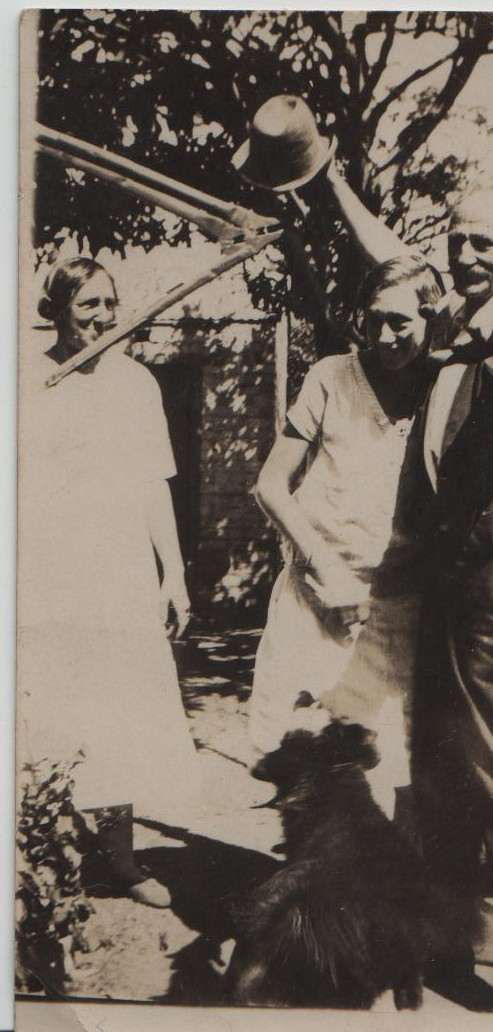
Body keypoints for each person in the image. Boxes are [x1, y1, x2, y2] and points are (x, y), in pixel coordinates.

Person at [323, 164, 493, 1011]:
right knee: (440, 773)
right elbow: (390, 249)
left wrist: (489, 341)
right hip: (451, 576)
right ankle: (445, 953)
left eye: (485, 241)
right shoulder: (462, 307)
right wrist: (327, 180)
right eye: (458, 237)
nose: (466, 251)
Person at [18, 257, 200, 909]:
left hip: (117, 567)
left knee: (120, 708)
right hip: (43, 568)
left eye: (108, 304)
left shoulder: (136, 384)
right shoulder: (25, 377)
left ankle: (119, 862)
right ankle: (43, 861)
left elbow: (155, 484)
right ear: (56, 311)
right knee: (48, 706)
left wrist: (173, 575)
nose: (100, 317)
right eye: (85, 305)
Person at [249, 255, 444, 816]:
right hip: (316, 599)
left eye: (402, 322)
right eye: (374, 319)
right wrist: (324, 571)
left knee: (396, 772)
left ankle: (392, 902)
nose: (385, 336)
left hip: (395, 609)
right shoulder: (331, 377)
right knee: (305, 774)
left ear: (430, 319)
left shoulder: (444, 385)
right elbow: (270, 485)